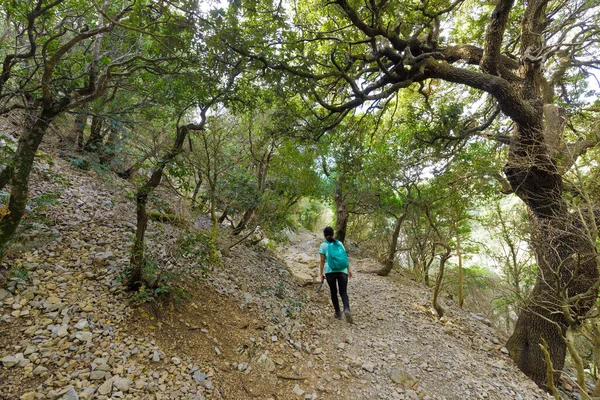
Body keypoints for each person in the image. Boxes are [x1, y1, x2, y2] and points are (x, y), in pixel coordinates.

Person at [319, 226, 353, 323]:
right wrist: (349, 270)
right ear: (333, 234)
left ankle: (338, 313)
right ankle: (346, 309)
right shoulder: (339, 243)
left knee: (333, 291)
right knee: (343, 292)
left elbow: (322, 260)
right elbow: (345, 257)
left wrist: (321, 274)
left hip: (330, 271)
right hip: (342, 270)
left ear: (324, 235)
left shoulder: (323, 245)